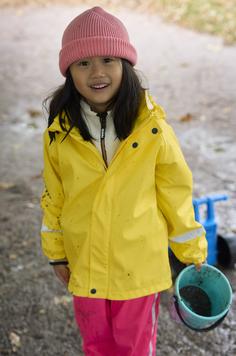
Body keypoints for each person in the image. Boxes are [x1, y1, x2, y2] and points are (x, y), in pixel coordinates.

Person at [41, 6, 207, 356]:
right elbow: (54, 196)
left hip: (138, 268)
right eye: (83, 63)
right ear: (69, 70)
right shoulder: (60, 134)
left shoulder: (153, 130)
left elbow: (175, 193)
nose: (97, 72)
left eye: (107, 60)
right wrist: (57, 254)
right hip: (85, 262)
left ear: (125, 66)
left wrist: (191, 252)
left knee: (131, 347)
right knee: (97, 345)